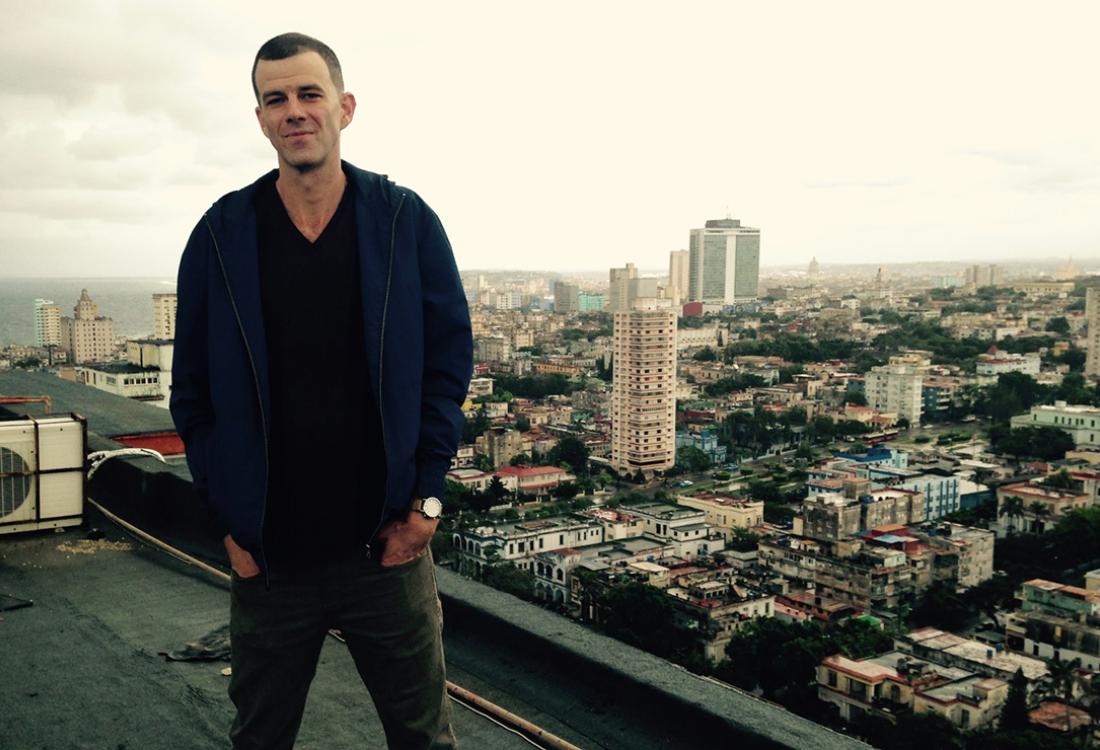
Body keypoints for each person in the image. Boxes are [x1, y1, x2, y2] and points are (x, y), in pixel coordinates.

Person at [170, 32, 472, 750]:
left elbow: (447, 368)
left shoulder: (404, 222)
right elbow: (194, 395)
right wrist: (228, 523)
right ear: (261, 119)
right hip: (271, 558)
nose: (295, 111)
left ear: (345, 107)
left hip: (386, 549)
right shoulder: (221, 235)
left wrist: (427, 503)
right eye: (277, 99)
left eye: (309, 94)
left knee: (424, 738)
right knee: (261, 736)